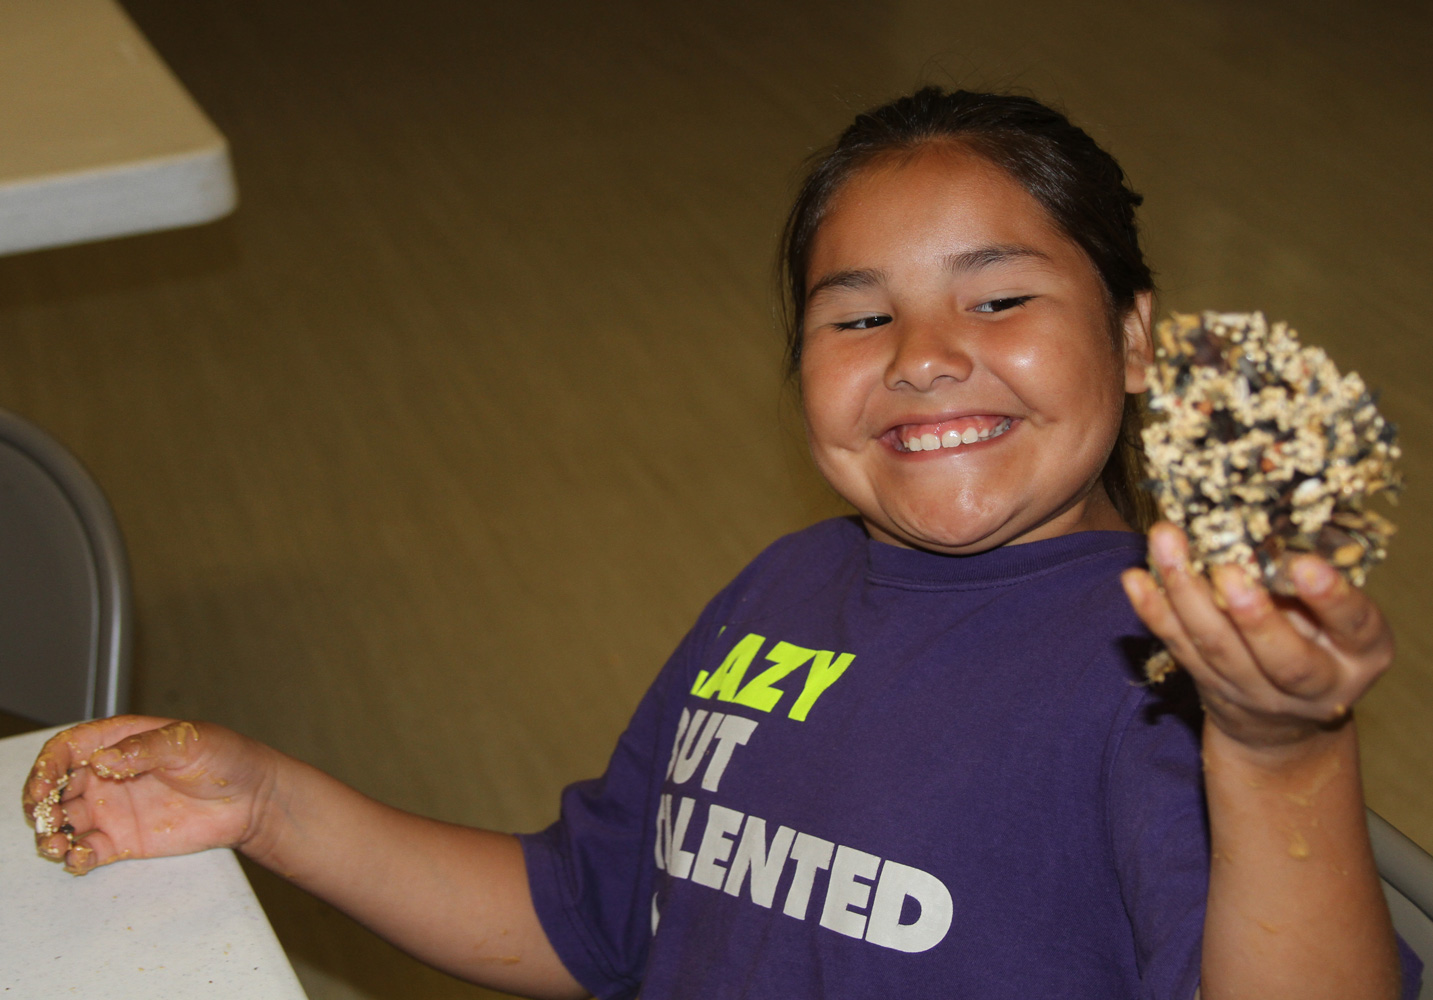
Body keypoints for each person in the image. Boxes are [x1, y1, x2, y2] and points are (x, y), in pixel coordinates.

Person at [24, 87, 1422, 1000]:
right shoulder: (785, 589)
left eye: (998, 300)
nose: (925, 359)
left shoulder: (1167, 682)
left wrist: (1279, 756)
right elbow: (587, 912)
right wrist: (267, 803)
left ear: (1129, 338)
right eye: (856, 316)